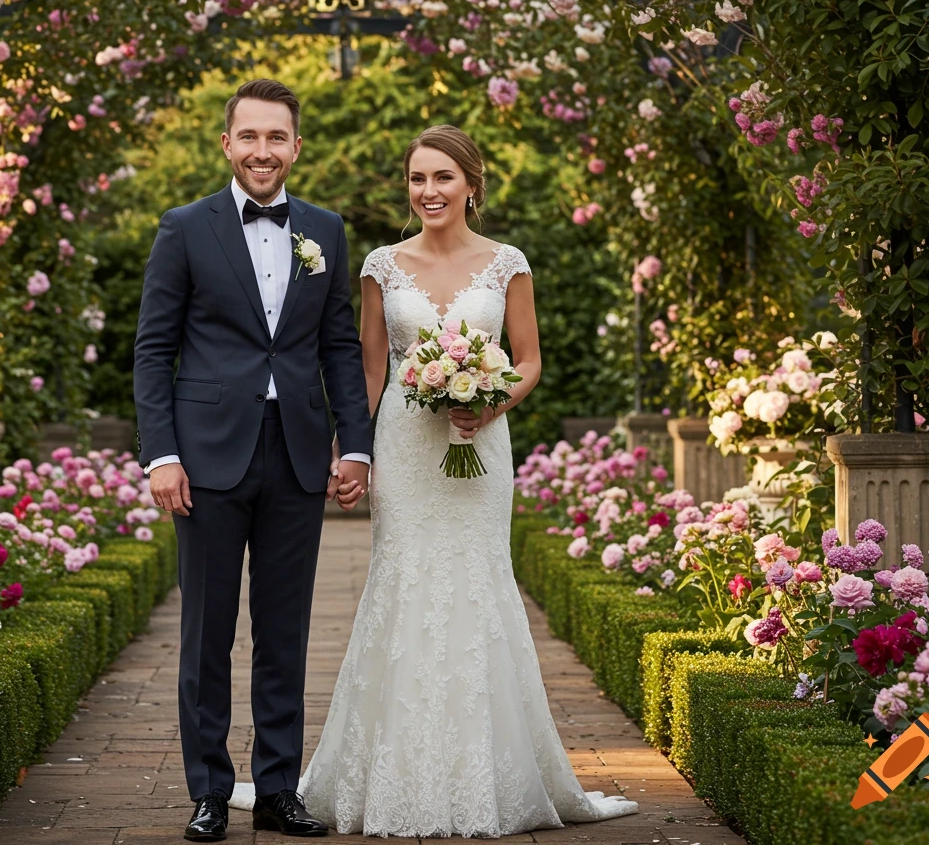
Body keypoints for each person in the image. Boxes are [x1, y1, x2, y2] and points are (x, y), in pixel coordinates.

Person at [229, 124, 639, 836]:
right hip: (407, 451)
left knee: (480, 585)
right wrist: (346, 447)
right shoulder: (382, 266)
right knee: (404, 583)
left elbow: (530, 359)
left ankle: (487, 774)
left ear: (471, 185)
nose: (429, 191)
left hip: (483, 452)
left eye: (443, 178)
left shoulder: (507, 263)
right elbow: (368, 368)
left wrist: (489, 400)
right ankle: (394, 771)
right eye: (418, 179)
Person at [133, 78, 372, 841]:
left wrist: (357, 443)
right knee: (207, 631)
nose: (263, 151)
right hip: (204, 459)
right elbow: (153, 350)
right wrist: (161, 453)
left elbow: (339, 346)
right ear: (227, 144)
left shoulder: (326, 232)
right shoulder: (184, 227)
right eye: (250, 137)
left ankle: (276, 788)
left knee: (285, 631)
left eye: (277, 138)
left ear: (296, 148)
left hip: (298, 454)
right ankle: (208, 790)